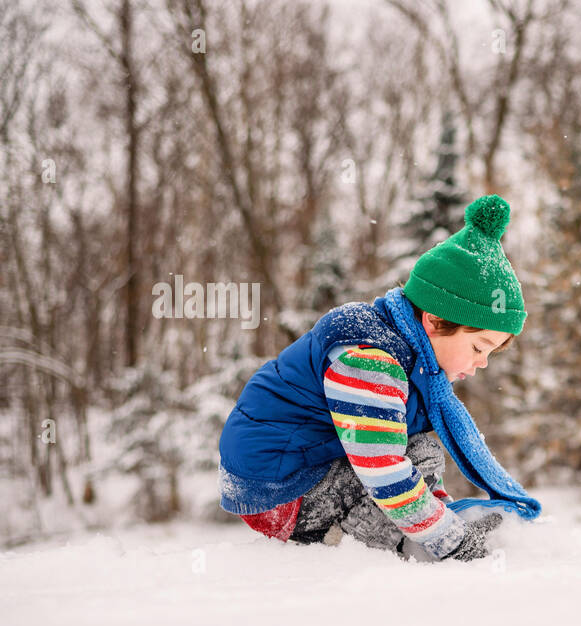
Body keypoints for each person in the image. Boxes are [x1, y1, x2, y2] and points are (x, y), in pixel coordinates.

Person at [217, 194, 541, 562]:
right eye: (479, 347)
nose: (482, 363)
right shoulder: (372, 360)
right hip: (279, 487)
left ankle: (411, 535)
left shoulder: (408, 353)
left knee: (423, 451)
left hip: (304, 469)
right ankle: (380, 547)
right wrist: (452, 541)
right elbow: (381, 467)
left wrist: (444, 518)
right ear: (434, 320)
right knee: (409, 464)